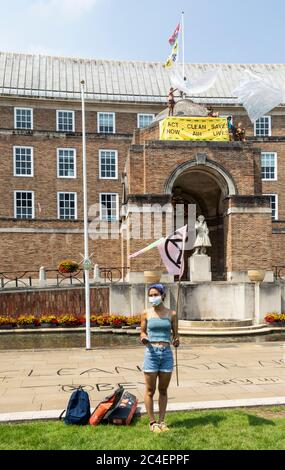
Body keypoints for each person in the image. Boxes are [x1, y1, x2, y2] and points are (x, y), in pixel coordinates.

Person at [140, 284, 180, 433]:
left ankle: (162, 421)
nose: (152, 298)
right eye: (150, 295)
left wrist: (176, 340)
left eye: (155, 294)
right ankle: (152, 422)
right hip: (151, 353)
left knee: (163, 389)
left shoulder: (172, 314)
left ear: (163, 295)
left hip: (166, 354)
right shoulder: (146, 313)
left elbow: (176, 335)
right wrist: (143, 338)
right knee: (150, 390)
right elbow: (142, 332)